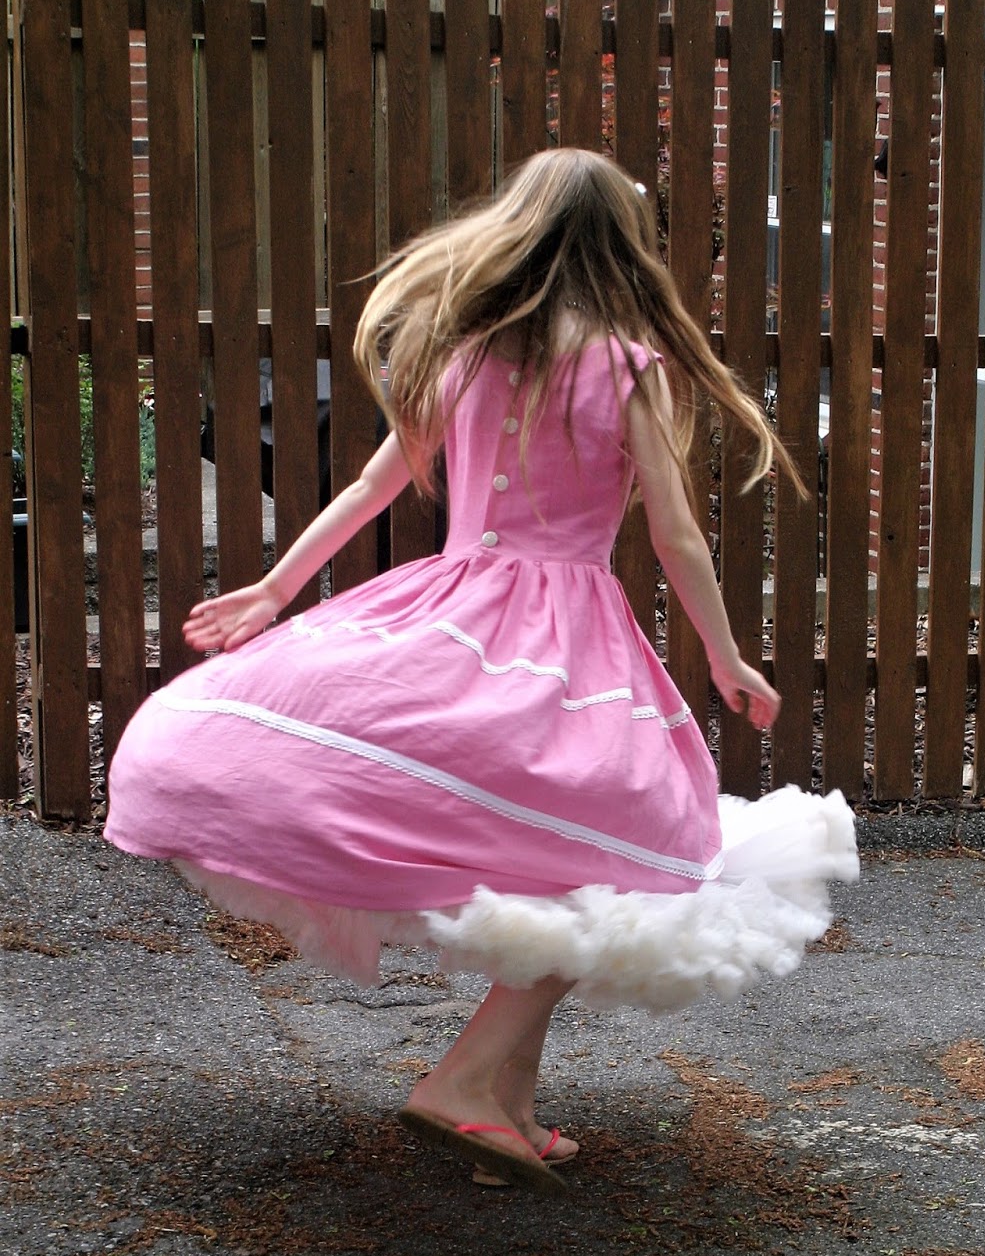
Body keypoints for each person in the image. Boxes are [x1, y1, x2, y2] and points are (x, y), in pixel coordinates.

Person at [105, 148, 858, 1197]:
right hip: (564, 636)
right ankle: (461, 1080)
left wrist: (277, 588)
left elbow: (371, 488)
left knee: (557, 850)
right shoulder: (627, 365)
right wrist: (726, 654)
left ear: (518, 233)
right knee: (623, 855)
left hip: (455, 610)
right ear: (621, 248)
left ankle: (507, 1106)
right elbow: (676, 534)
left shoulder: (461, 354)